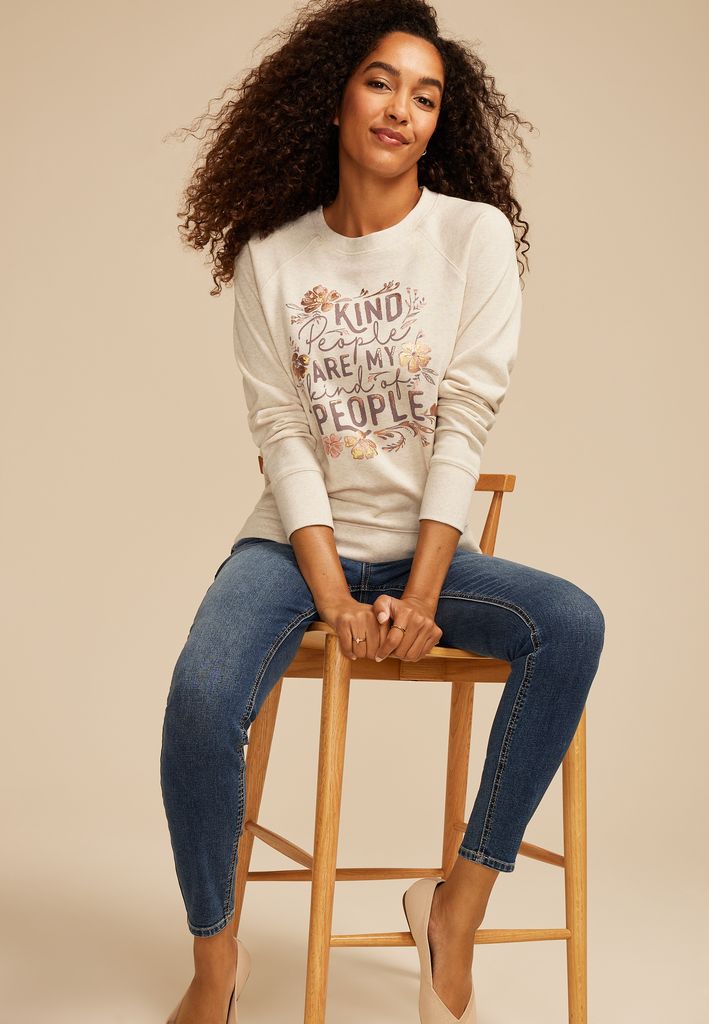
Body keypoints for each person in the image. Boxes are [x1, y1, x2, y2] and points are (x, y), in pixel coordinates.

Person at [160, 2, 606, 1021]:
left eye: (425, 95)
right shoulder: (272, 256)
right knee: (200, 696)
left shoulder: (470, 236)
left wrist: (422, 592)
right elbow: (283, 434)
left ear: (440, 121)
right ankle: (215, 963)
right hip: (291, 551)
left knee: (570, 622)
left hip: (424, 558)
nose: (401, 108)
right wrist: (334, 597)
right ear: (334, 98)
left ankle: (456, 906)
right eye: (379, 82)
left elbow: (464, 420)